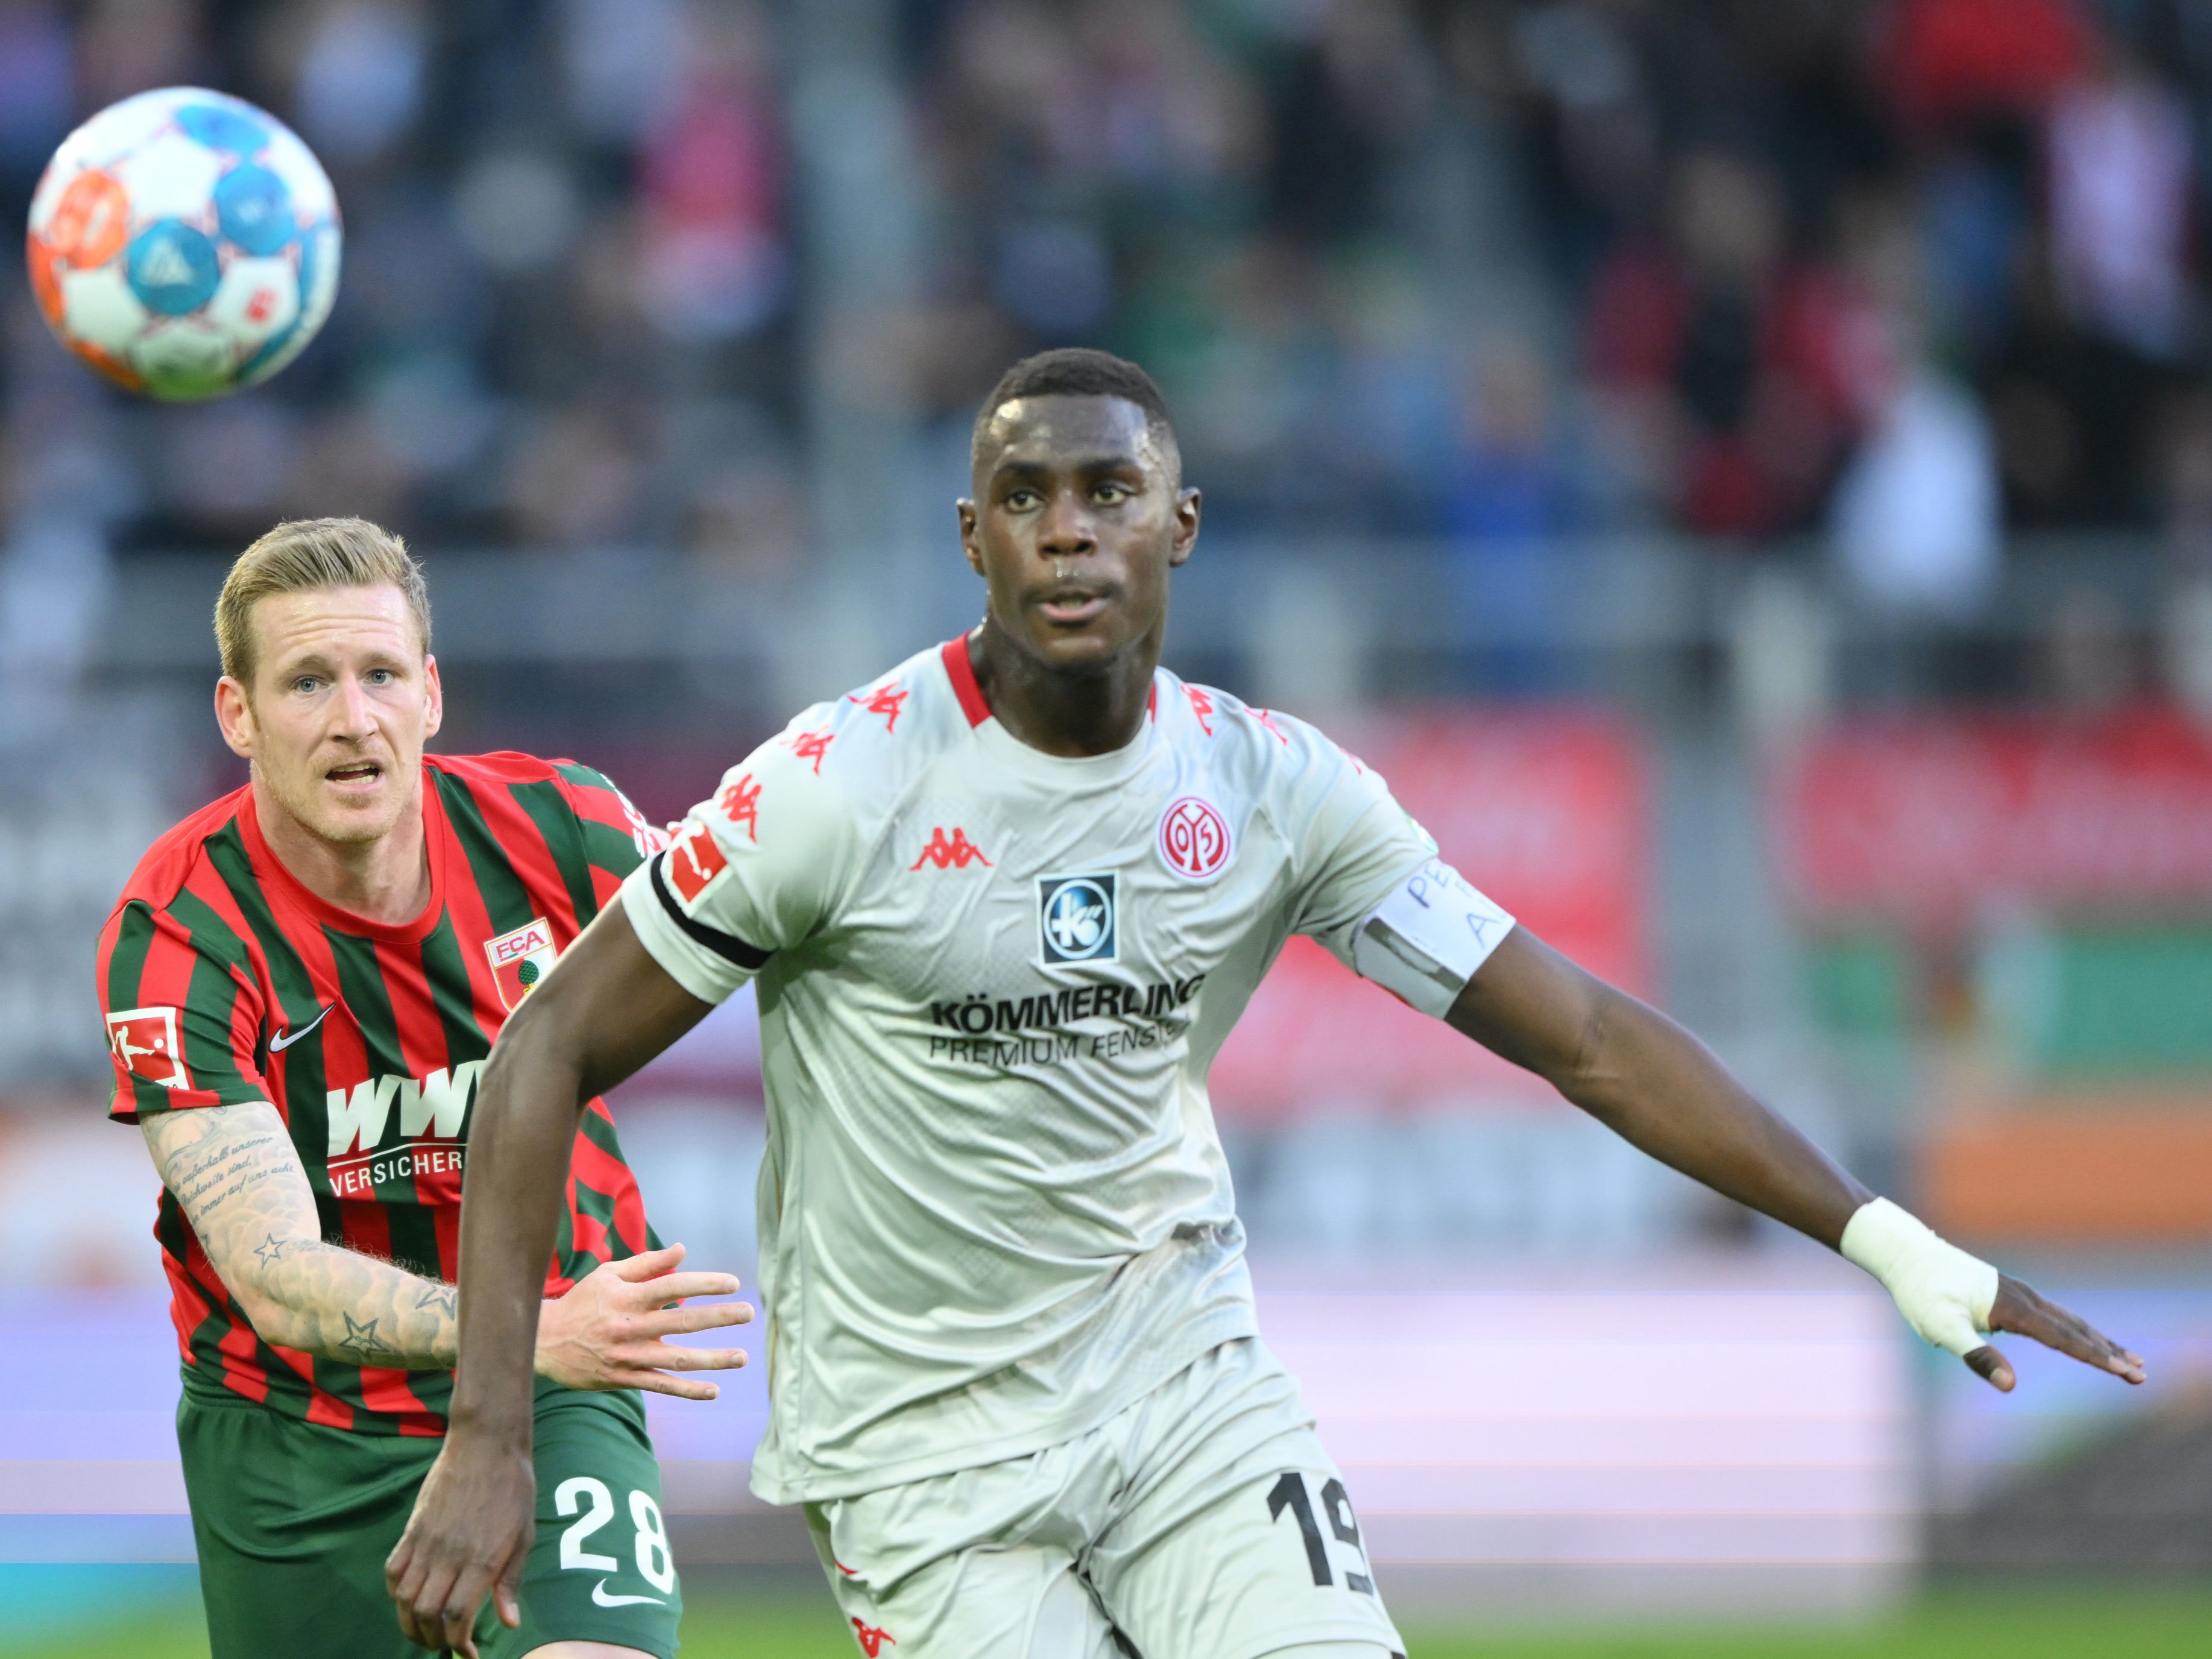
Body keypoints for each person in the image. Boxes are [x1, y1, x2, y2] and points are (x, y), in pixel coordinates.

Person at [388, 351, 2144, 1659]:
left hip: (1186, 1394)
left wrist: (1881, 1238)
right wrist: (489, 1429)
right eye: (1025, 499)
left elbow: (1587, 1040)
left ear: (1180, 526)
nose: (1068, 531)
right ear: (970, 539)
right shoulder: (835, 791)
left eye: (1107, 494)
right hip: (918, 1456)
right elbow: (546, 1046)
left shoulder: (1278, 791)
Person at [94, 518, 752, 1659]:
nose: (353, 720)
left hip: (561, 1389)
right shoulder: (184, 936)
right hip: (294, 1432)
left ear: (431, 695)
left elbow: (783, 949)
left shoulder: (563, 829)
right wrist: (530, 1334)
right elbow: (275, 1279)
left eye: (381, 675)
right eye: (307, 682)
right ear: (238, 715)